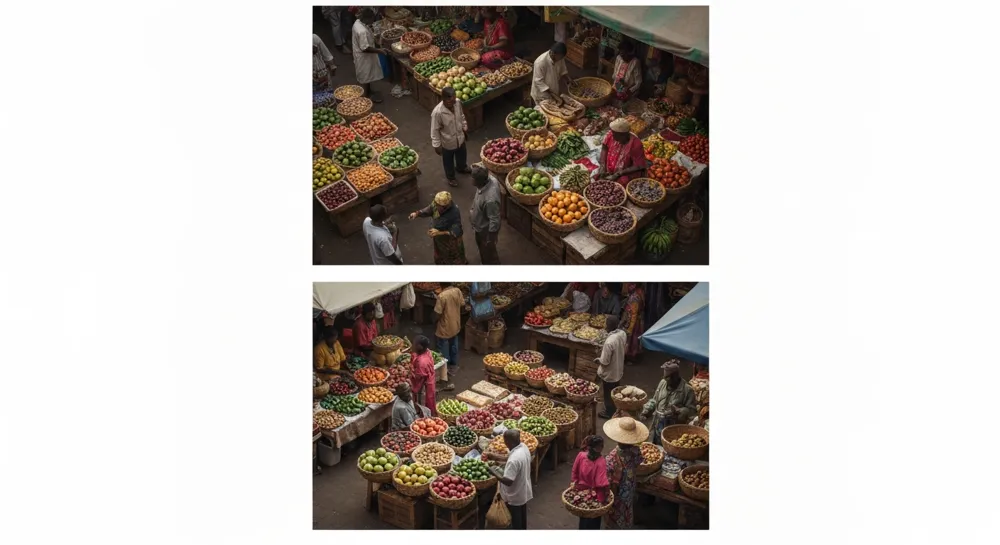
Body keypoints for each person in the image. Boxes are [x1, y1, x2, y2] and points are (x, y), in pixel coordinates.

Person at [602, 416, 649, 529]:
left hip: (617, 496)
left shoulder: (611, 458)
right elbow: (638, 462)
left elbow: (607, 482)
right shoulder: (636, 451)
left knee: (615, 520)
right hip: (629, 490)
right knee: (627, 513)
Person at [484, 429, 533, 529]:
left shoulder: (514, 460)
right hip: (523, 489)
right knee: (522, 514)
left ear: (509, 442)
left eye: (505, 441)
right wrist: (494, 456)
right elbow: (509, 457)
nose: (504, 443)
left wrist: (492, 471)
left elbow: (508, 481)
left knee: (515, 519)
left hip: (514, 494)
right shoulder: (523, 447)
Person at [641, 360, 698, 445]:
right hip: (658, 425)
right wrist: (647, 410)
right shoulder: (663, 382)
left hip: (674, 430)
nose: (665, 380)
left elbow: (692, 412)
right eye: (665, 377)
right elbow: (655, 400)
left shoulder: (687, 390)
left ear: (675, 376)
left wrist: (680, 411)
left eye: (667, 377)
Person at [408, 191, 468, 265]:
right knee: (439, 254)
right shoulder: (436, 204)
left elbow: (457, 231)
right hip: (438, 237)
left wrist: (440, 233)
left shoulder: (454, 213)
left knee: (453, 258)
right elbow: (429, 209)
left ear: (445, 206)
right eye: (435, 204)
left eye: (438, 205)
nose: (435, 206)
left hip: (450, 240)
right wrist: (417, 214)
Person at [429, 87, 471, 186]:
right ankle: (451, 177)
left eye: (453, 100)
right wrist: (436, 145)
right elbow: (434, 130)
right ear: (443, 99)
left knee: (462, 153)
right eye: (449, 101)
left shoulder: (457, 103)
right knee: (448, 161)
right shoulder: (437, 113)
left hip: (460, 137)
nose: (452, 104)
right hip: (447, 141)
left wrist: (464, 127)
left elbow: (461, 115)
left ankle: (461, 167)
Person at [570, 435, 610, 529]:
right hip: (596, 496)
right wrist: (606, 495)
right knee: (594, 521)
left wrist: (575, 485)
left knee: (583, 517)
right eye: (600, 447)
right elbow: (601, 483)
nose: (601, 448)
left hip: (581, 494)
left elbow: (574, 473)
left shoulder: (581, 455)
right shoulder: (601, 461)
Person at [597, 118, 648, 187]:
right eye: (612, 132)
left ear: (624, 134)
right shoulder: (611, 135)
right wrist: (602, 165)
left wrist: (618, 174)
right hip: (610, 168)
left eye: (615, 134)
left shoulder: (636, 144)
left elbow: (638, 166)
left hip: (626, 172)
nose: (612, 135)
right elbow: (604, 147)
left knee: (620, 185)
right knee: (599, 177)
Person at [352, 8, 388, 103]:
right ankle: (366, 97)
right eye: (372, 19)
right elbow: (365, 48)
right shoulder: (362, 31)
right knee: (365, 76)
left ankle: (369, 91)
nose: (372, 21)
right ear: (367, 19)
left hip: (360, 55)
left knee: (367, 76)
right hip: (364, 57)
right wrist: (380, 50)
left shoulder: (357, 22)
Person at [595, 315, 627, 419]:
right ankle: (617, 408)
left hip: (609, 373)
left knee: (608, 393)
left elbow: (605, 362)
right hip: (618, 368)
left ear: (608, 326)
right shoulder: (622, 334)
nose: (604, 325)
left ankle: (609, 412)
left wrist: (598, 360)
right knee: (615, 390)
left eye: (605, 323)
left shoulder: (609, 342)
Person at [469, 165, 502, 264]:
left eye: (472, 178)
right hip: (479, 225)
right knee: (483, 248)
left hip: (485, 230)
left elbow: (494, 219)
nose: (470, 180)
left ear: (478, 181)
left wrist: (491, 238)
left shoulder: (490, 200)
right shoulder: (490, 180)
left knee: (488, 251)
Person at [434, 282, 463, 378]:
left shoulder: (442, 296)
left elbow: (438, 313)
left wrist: (433, 320)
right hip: (455, 323)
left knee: (441, 347)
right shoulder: (457, 291)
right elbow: (462, 303)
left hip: (445, 326)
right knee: (453, 344)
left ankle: (444, 369)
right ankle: (453, 365)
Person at [409, 336, 437, 416]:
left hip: (424, 383)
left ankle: (422, 415)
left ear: (420, 347)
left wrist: (410, 372)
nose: (413, 345)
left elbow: (418, 376)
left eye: (415, 344)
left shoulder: (422, 362)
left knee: (424, 402)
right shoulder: (427, 351)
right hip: (428, 376)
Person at [620, 283, 646, 365]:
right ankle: (632, 356)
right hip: (638, 320)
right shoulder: (640, 292)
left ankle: (630, 358)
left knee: (631, 340)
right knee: (635, 340)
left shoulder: (634, 298)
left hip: (632, 322)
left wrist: (630, 328)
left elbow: (633, 314)